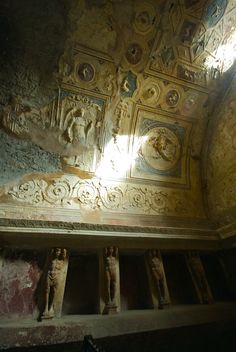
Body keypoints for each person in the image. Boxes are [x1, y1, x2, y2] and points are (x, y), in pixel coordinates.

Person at [41, 248, 67, 318]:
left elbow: (64, 254)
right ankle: (46, 308)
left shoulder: (61, 261)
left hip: (56, 276)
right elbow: (50, 252)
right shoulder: (51, 259)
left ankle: (51, 306)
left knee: (54, 291)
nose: (57, 253)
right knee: (47, 291)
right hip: (49, 275)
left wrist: (63, 250)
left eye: (59, 252)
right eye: (56, 251)